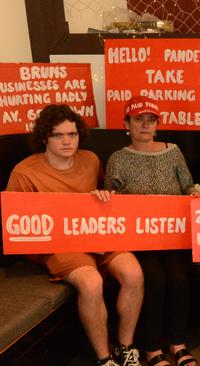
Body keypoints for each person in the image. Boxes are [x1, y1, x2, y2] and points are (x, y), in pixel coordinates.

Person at [6, 104, 144, 366]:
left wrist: (102, 197)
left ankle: (125, 349)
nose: (67, 141)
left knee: (133, 272)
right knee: (91, 282)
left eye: (72, 134)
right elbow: (15, 226)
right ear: (45, 136)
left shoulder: (91, 159)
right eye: (59, 135)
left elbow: (105, 202)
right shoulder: (24, 172)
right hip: (57, 244)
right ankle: (104, 358)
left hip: (95, 234)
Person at [104, 96, 199, 366]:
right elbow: (113, 201)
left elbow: (188, 187)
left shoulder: (173, 150)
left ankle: (178, 342)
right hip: (139, 238)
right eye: (138, 119)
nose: (145, 125)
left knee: (179, 279)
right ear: (126, 123)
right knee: (154, 280)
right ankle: (151, 347)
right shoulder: (118, 158)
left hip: (173, 235)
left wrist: (196, 197)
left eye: (151, 120)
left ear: (157, 125)